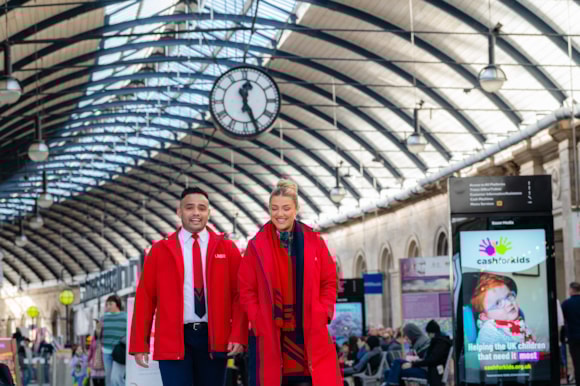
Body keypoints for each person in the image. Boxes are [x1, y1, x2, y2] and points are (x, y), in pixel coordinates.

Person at [129, 187, 247, 386]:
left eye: (202, 208)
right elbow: (145, 299)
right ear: (179, 211)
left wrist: (238, 334)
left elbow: (240, 295)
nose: (196, 213)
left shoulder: (227, 248)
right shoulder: (159, 251)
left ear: (209, 213)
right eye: (189, 207)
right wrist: (139, 344)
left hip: (214, 339)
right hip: (173, 339)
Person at [238, 179, 342, 386]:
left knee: (313, 378)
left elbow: (329, 280)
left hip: (309, 329)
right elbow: (246, 288)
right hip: (271, 332)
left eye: (286, 208)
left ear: (296, 209)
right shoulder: (256, 245)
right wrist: (258, 318)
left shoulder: (315, 241)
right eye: (274, 208)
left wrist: (324, 311)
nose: (280, 214)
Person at [471, 273, 536, 346]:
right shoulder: (488, 331)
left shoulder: (519, 322)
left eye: (509, 296)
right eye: (498, 303)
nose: (509, 303)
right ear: (484, 316)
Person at [102, 295, 126, 386]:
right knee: (108, 379)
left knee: (116, 378)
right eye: (107, 304)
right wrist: (97, 330)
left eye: (110, 304)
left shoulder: (125, 317)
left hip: (119, 352)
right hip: (106, 352)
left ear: (117, 304)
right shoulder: (104, 317)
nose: (108, 306)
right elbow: (98, 336)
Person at [562, 281, 580, 384]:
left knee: (577, 362)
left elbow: (561, 320)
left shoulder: (566, 304)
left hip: (573, 337)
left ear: (571, 290)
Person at [87, 320, 105, 386]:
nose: (98, 330)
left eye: (100, 328)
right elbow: (90, 351)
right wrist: (87, 361)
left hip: (103, 366)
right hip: (94, 365)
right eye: (97, 328)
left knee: (102, 383)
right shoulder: (93, 339)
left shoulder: (104, 339)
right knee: (95, 382)